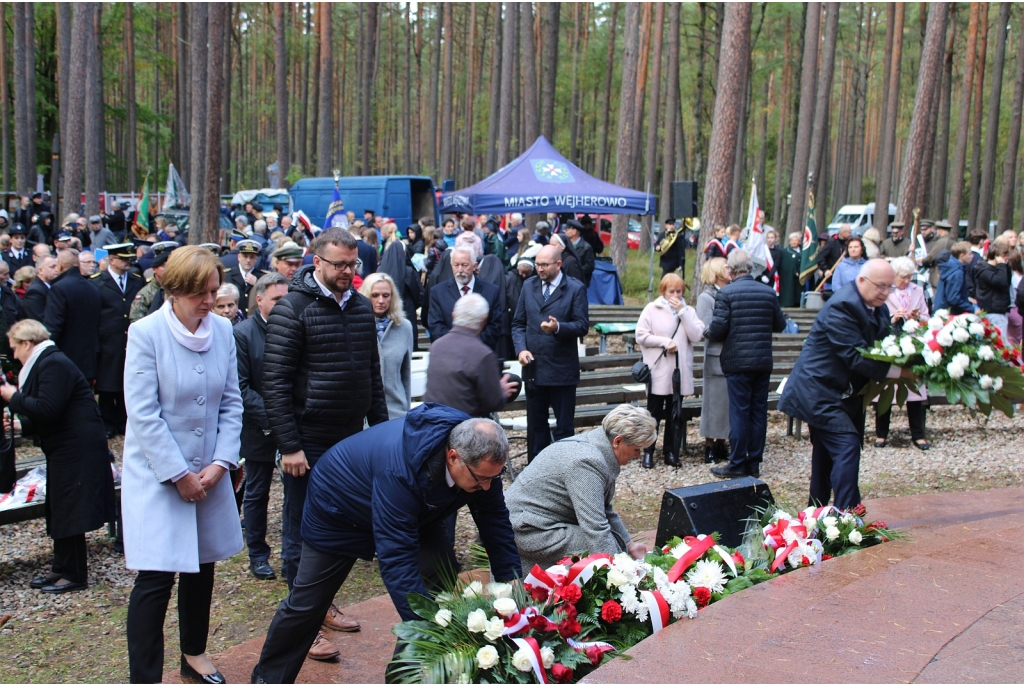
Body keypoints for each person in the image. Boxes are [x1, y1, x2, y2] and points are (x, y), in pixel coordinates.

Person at [251, 406, 521, 684]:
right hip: (339, 507)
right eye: (481, 479)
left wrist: (511, 586)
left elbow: (495, 523)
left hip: (416, 511)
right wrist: (425, 629)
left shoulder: (480, 461)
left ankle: (406, 677)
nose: (488, 487)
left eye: (494, 478)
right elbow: (396, 557)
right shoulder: (400, 470)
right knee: (308, 603)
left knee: (437, 582)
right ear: (453, 456)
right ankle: (269, 678)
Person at [121, 246, 244, 684]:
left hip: (209, 470)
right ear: (173, 291)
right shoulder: (146, 333)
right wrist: (178, 474)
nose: (209, 301)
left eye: (214, 291)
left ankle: (194, 654)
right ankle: (145, 676)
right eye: (199, 294)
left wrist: (221, 462)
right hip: (159, 474)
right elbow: (143, 413)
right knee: (155, 580)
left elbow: (231, 401)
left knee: (202, 566)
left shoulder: (225, 332)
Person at [263, 227, 386, 653]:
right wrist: (290, 445)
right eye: (340, 265)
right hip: (308, 439)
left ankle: (323, 603)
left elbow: (373, 374)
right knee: (302, 527)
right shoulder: (292, 309)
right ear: (317, 261)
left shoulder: (359, 308)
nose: (348, 272)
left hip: (349, 438)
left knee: (339, 525)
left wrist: (383, 432)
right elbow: (275, 382)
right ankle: (302, 620)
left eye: (354, 265)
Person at [780, 259, 916, 509]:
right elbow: (856, 357)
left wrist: (916, 347)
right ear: (861, 280)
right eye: (880, 286)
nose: (885, 293)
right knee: (847, 446)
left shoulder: (878, 307)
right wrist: (902, 372)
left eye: (889, 287)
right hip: (818, 390)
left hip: (845, 394)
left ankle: (816, 513)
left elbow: (885, 343)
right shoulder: (843, 305)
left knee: (824, 457)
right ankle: (846, 515)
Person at [0, 320, 113, 595]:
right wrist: (21, 426)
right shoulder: (47, 362)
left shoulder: (53, 364)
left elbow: (48, 408)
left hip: (77, 448)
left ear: (27, 344)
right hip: (66, 446)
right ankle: (61, 567)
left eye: (15, 348)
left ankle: (74, 573)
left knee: (70, 508)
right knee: (59, 507)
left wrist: (13, 397)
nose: (14, 356)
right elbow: (51, 412)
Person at [505, 404, 656, 570]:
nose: (638, 455)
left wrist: (629, 544)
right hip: (527, 529)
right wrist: (620, 575)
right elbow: (595, 527)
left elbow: (603, 508)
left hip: (533, 522)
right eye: (636, 449)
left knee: (614, 546)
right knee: (603, 548)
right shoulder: (587, 462)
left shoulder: (596, 446)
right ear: (618, 441)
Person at [706, 250, 786, 479]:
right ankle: (754, 462)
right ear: (750, 269)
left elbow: (718, 330)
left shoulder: (726, 294)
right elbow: (779, 325)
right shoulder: (768, 292)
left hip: (737, 361)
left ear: (730, 271)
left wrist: (707, 332)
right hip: (762, 361)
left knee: (740, 412)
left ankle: (737, 461)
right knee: (758, 412)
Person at [235, 273, 290, 582]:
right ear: (259, 300)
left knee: (295, 494)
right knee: (258, 492)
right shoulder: (242, 334)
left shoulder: (292, 328)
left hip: (291, 426)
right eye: (277, 300)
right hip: (259, 426)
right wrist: (274, 416)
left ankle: (292, 555)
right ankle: (258, 553)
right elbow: (240, 388)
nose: (284, 305)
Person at [512, 244, 590, 459]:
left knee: (564, 428)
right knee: (536, 426)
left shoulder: (575, 288)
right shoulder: (529, 286)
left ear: (558, 264)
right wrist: (521, 349)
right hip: (534, 368)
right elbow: (518, 323)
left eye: (544, 265)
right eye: (537, 264)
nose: (539, 269)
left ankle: (565, 470)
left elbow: (582, 325)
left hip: (561, 371)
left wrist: (558, 328)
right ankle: (535, 470)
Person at [635, 273, 705, 468]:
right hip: (658, 370)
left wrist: (682, 312)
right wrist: (665, 342)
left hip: (678, 371)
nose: (675, 295)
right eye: (671, 291)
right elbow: (641, 335)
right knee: (653, 413)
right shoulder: (652, 309)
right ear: (663, 291)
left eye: (679, 291)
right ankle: (648, 451)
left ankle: (671, 452)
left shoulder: (689, 311)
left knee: (676, 413)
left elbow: (697, 335)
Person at [424, 293, 519, 418]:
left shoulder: (436, 346)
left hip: (433, 423)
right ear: (484, 320)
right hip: (466, 429)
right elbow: (494, 402)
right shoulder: (482, 354)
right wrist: (500, 391)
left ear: (454, 315)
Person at [875, 257, 930, 451]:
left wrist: (917, 317)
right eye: (903, 277)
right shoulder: (885, 290)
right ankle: (881, 433)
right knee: (887, 390)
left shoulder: (918, 290)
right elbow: (877, 318)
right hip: (891, 343)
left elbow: (926, 316)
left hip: (913, 343)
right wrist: (893, 317)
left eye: (909, 277)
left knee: (915, 388)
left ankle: (918, 434)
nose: (906, 281)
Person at [91, 243, 144, 438]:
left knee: (126, 381)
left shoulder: (137, 281)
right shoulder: (97, 282)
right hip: (108, 340)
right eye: (123, 259)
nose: (127, 262)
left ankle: (123, 421)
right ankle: (108, 422)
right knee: (107, 384)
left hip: (129, 340)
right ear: (111, 260)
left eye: (129, 258)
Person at [359, 272, 414, 419]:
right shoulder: (356, 326)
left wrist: (406, 410)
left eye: (386, 295)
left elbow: (406, 374)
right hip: (362, 415)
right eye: (375, 295)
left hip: (396, 411)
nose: (381, 300)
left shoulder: (404, 327)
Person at [427, 246, 502, 351]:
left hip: (481, 354)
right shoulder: (438, 292)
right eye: (456, 265)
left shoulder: (491, 291)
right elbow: (436, 325)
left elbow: (495, 326)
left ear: (474, 266)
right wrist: (456, 345)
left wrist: (473, 345)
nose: (460, 270)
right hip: (449, 354)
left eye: (465, 265)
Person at [42, 249, 101, 382]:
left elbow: (53, 326)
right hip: (88, 360)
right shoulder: (92, 288)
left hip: (64, 359)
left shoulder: (59, 288)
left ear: (60, 265)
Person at [130, 242, 177, 323]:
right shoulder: (146, 293)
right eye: (164, 266)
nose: (168, 269)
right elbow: (137, 320)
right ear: (154, 269)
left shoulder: (182, 287)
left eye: (171, 265)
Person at [974, 241, 1012, 338]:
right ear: (997, 255)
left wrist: (1004, 266)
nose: (1006, 259)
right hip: (993, 310)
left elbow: (1007, 281)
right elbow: (999, 282)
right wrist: (1002, 265)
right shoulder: (985, 269)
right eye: (1004, 256)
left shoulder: (1000, 268)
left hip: (999, 310)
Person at [934, 242, 977, 314]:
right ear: (962, 255)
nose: (972, 256)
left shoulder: (950, 267)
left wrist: (967, 299)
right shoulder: (957, 272)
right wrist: (971, 308)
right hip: (949, 313)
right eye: (969, 254)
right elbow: (953, 298)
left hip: (942, 310)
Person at [225, 239, 267, 307]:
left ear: (256, 259)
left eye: (252, 257)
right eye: (245, 256)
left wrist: (257, 283)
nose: (248, 260)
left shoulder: (263, 277)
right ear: (239, 257)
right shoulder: (227, 275)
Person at [921, 220, 955, 289]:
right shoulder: (953, 241)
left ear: (940, 231)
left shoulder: (941, 242)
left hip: (938, 273)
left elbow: (931, 257)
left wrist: (922, 260)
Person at [21, 254, 57, 321]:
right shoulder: (34, 291)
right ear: (40, 270)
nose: (56, 269)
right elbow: (39, 318)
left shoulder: (52, 285)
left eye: (57, 266)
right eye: (52, 267)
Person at [817, 224, 851, 292]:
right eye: (849, 232)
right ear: (843, 233)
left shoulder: (849, 243)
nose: (850, 234)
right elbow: (820, 257)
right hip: (831, 278)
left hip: (845, 278)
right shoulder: (832, 242)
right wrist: (825, 269)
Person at [564, 219, 596, 286]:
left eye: (567, 229)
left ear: (574, 231)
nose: (564, 231)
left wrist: (575, 271)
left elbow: (590, 266)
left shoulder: (586, 247)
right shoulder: (565, 246)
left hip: (579, 283)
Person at [778, 232, 803, 307]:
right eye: (792, 240)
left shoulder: (803, 251)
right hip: (788, 277)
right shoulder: (784, 252)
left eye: (796, 240)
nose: (794, 242)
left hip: (801, 276)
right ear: (789, 241)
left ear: (799, 241)